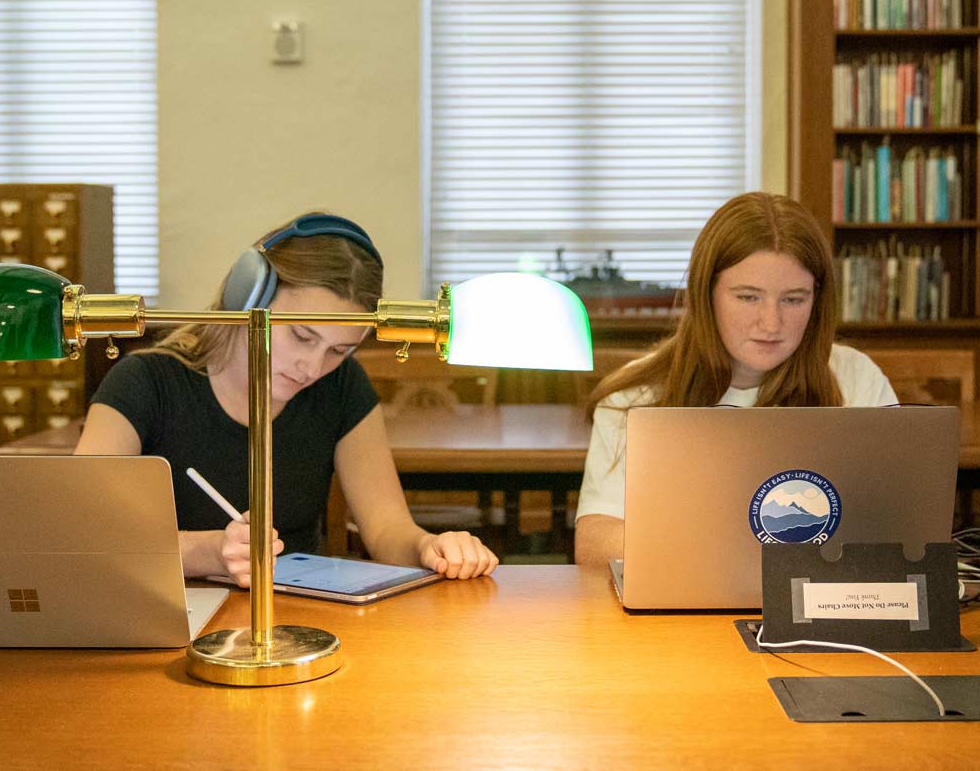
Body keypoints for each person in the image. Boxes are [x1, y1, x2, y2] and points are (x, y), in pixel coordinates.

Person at [75, 212, 498, 586]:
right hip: (165, 614)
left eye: (338, 350)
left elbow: (387, 529)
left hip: (295, 617)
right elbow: (79, 529)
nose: (313, 368)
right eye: (301, 335)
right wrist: (205, 552)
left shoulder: (342, 386)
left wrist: (430, 546)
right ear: (247, 297)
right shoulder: (145, 382)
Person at [573, 192, 897, 568]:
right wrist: (730, 554)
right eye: (748, 297)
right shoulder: (635, 394)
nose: (771, 323)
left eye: (793, 300)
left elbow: (899, 516)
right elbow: (594, 545)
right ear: (705, 293)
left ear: (817, 300)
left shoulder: (856, 378)